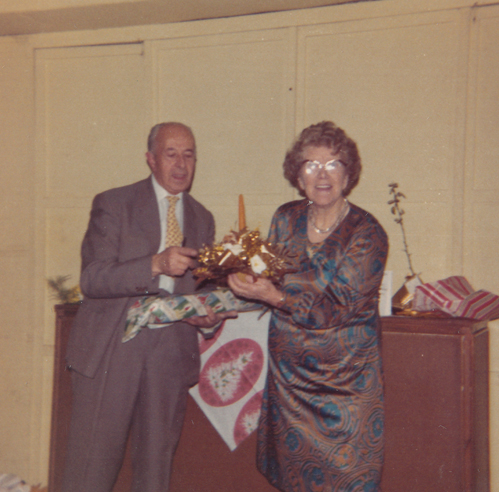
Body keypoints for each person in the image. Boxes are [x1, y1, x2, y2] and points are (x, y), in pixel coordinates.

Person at [62, 122, 236, 492]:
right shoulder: (113, 204)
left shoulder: (203, 218)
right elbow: (92, 279)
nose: (181, 164)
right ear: (150, 159)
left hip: (169, 358)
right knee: (90, 471)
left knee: (154, 475)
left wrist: (206, 320)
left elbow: (197, 293)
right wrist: (154, 264)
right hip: (113, 351)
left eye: (189, 155)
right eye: (171, 154)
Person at [228, 121, 388, 491]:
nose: (322, 175)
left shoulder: (368, 232)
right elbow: (266, 275)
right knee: (294, 481)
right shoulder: (285, 219)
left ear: (348, 175)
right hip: (291, 387)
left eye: (333, 164)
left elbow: (336, 308)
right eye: (310, 165)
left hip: (346, 390)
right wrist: (238, 276)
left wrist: (272, 296)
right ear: (297, 176)